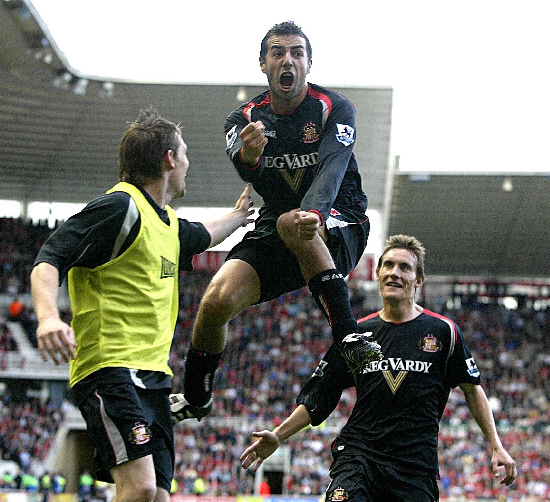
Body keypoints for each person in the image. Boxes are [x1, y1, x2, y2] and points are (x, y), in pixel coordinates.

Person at [30, 107, 254, 502]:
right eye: (184, 154)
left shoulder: (166, 224)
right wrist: (48, 317)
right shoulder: (120, 208)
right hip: (109, 369)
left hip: (154, 380)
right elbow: (50, 257)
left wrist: (239, 217)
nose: (188, 164)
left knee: (158, 497)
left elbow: (204, 234)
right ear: (170, 159)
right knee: (141, 488)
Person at [181, 20, 381, 418]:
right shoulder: (243, 119)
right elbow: (245, 170)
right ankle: (195, 397)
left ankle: (348, 336)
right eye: (277, 52)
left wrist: (315, 214)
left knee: (295, 223)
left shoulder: (334, 108)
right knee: (215, 301)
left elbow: (332, 167)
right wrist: (249, 157)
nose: (287, 60)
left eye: (296, 53)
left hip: (340, 216)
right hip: (276, 224)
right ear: (262, 64)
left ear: (309, 63)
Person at [239, 235, 518, 501]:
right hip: (359, 458)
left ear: (419, 280)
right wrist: (278, 435)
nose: (394, 272)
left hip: (414, 468)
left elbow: (472, 388)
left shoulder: (443, 332)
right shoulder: (358, 334)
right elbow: (320, 395)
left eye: (405, 267)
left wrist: (496, 446)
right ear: (378, 274)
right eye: (388, 265)